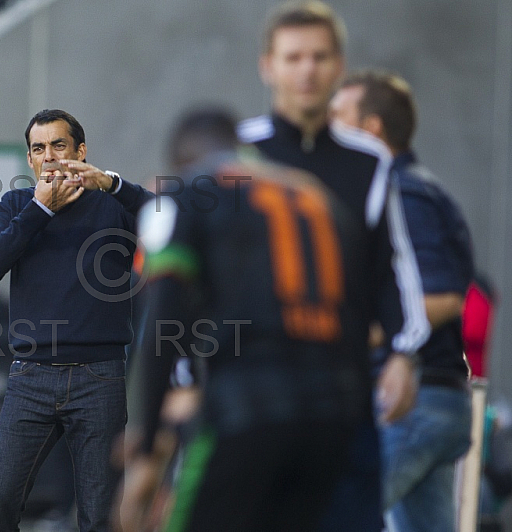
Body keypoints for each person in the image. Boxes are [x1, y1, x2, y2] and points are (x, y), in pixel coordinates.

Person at [120, 108, 373, 531]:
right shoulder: (320, 197)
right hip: (335, 417)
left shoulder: (188, 190)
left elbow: (165, 321)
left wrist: (147, 445)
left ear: (181, 159)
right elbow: (360, 316)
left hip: (247, 409)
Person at [237, 2, 429, 529]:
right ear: (268, 66)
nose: (307, 70)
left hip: (342, 400)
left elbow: (394, 266)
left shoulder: (370, 162)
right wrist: (183, 377)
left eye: (319, 57)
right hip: (250, 398)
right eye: (293, 57)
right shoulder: (236, 156)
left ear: (339, 65)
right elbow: (196, 278)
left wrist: (404, 355)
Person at [0, 108, 154, 532]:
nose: (49, 156)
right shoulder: (18, 204)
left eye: (59, 145)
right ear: (30, 159)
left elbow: (170, 216)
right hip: (30, 377)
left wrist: (112, 183)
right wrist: (40, 209)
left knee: (100, 514)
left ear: (81, 152)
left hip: (100, 377)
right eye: (39, 148)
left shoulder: (113, 204)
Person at [330, 70, 474, 532]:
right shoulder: (406, 188)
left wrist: (354, 330)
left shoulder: (405, 192)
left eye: (339, 115)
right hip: (430, 402)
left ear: (371, 128)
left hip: (413, 402)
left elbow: (443, 297)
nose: (328, 126)